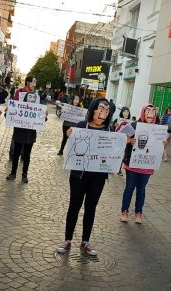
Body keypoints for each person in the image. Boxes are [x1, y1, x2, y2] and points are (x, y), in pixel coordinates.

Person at [56, 98, 113, 256]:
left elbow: (114, 151)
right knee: (74, 205)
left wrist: (124, 143)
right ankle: (67, 240)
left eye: (106, 111)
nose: (103, 113)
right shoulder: (82, 125)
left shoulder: (110, 130)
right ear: (93, 109)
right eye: (100, 109)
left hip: (98, 177)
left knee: (91, 207)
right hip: (78, 175)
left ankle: (85, 241)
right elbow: (74, 147)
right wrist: (69, 135)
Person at [119, 104, 165, 224]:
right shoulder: (134, 125)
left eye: (153, 111)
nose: (150, 113)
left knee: (141, 189)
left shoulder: (158, 129)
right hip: (132, 164)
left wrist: (163, 145)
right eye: (148, 111)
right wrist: (129, 141)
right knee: (129, 188)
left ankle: (138, 213)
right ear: (143, 112)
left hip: (147, 166)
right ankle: (124, 211)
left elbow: (162, 145)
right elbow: (120, 138)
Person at [113, 107, 131, 176]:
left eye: (127, 112)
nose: (126, 113)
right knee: (115, 154)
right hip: (117, 140)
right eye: (124, 112)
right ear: (121, 112)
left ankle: (119, 169)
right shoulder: (117, 120)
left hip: (125, 141)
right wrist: (115, 126)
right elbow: (113, 129)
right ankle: (112, 167)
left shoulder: (130, 122)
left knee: (122, 156)